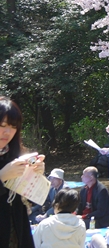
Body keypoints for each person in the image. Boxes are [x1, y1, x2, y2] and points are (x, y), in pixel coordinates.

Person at [0, 96, 46, 248]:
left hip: (16, 235)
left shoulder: (16, 156)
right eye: (2, 125)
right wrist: (2, 176)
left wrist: (35, 176)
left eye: (13, 127)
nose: (7, 132)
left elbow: (29, 201)